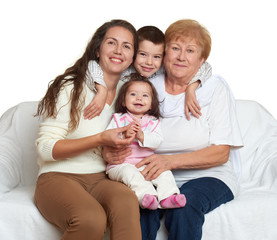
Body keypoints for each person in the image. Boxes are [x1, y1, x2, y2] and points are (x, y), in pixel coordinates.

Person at [103, 19, 244, 240]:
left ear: (201, 60)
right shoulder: (147, 84)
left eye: (190, 51)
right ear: (164, 53)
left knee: (184, 207)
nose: (181, 56)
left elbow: (221, 153)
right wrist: (109, 152)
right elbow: (112, 65)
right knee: (137, 210)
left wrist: (170, 161)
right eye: (175, 48)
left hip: (209, 176)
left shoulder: (214, 88)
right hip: (149, 175)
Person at [34, 19, 142, 240]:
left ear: (133, 57)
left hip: (102, 178)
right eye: (111, 42)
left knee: (127, 201)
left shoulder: (131, 92)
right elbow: (45, 148)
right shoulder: (70, 87)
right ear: (97, 49)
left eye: (127, 46)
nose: (118, 51)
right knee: (91, 218)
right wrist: (100, 139)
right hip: (58, 177)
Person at [83, 25, 212, 120]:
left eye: (156, 56)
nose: (149, 63)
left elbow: (205, 66)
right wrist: (102, 90)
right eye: (143, 54)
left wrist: (191, 88)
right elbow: (92, 64)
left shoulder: (161, 68)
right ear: (133, 52)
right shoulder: (125, 68)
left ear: (163, 57)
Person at [106, 72, 186, 210]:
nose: (139, 98)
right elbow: (108, 139)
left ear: (151, 104)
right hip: (121, 165)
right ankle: (147, 197)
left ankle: (168, 197)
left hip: (145, 163)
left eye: (145, 95)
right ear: (123, 101)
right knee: (131, 175)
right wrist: (124, 136)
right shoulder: (118, 119)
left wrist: (142, 136)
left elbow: (157, 141)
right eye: (133, 94)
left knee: (164, 172)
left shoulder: (153, 122)